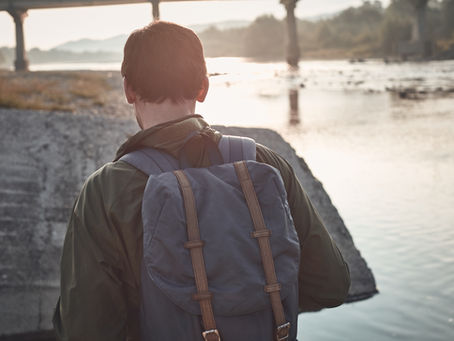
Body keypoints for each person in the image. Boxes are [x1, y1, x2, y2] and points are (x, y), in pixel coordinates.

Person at [53, 21, 350, 341]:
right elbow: (330, 286)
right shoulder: (264, 162)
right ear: (203, 87)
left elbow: (85, 329)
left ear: (128, 89)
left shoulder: (107, 191)